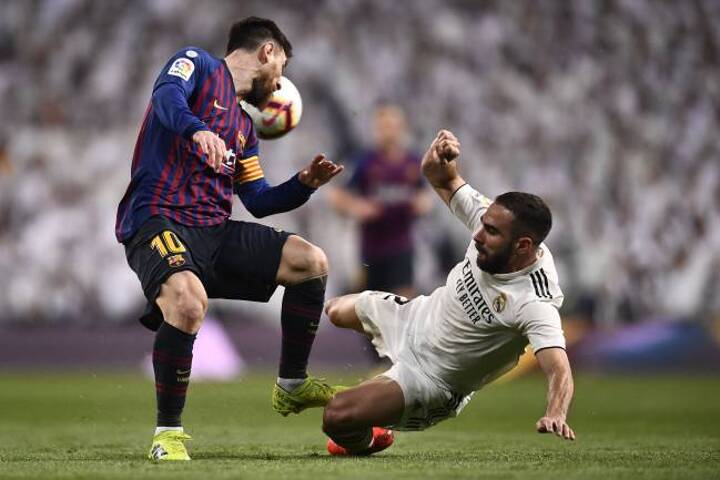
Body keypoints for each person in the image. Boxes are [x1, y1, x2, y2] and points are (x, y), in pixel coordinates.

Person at [115, 17, 344, 461]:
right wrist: (197, 129)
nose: (279, 86)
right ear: (267, 52)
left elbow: (258, 200)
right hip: (158, 220)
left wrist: (304, 183)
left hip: (214, 233)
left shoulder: (243, 127)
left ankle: (292, 383)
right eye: (281, 70)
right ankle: (167, 435)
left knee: (310, 261)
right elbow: (165, 96)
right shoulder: (196, 64)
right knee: (188, 303)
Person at [321, 129, 575, 456]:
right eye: (482, 224)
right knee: (334, 310)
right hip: (414, 316)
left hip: (430, 379)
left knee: (336, 417)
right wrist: (439, 157)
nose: (478, 235)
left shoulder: (534, 301)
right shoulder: (491, 219)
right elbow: (441, 178)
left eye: (491, 232)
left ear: (522, 246)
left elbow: (558, 369)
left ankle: (372, 437)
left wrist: (556, 412)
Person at [328, 104, 432, 299]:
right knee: (370, 304)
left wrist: (422, 204)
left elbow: (425, 195)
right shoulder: (365, 161)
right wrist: (356, 207)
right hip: (371, 248)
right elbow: (336, 195)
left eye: (392, 126)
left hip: (402, 245)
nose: (388, 132)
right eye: (383, 127)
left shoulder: (413, 162)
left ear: (401, 128)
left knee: (404, 301)